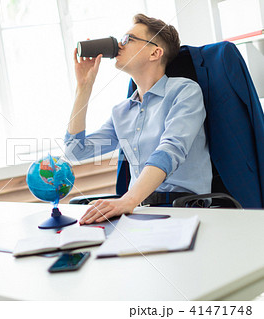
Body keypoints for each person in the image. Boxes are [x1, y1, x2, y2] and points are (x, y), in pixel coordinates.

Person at [64, 14, 212, 225]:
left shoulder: (184, 91)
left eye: (128, 39)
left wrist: (127, 200)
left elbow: (170, 149)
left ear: (155, 52)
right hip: (139, 211)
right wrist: (83, 89)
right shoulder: (121, 111)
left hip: (182, 208)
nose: (118, 46)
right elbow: (75, 150)